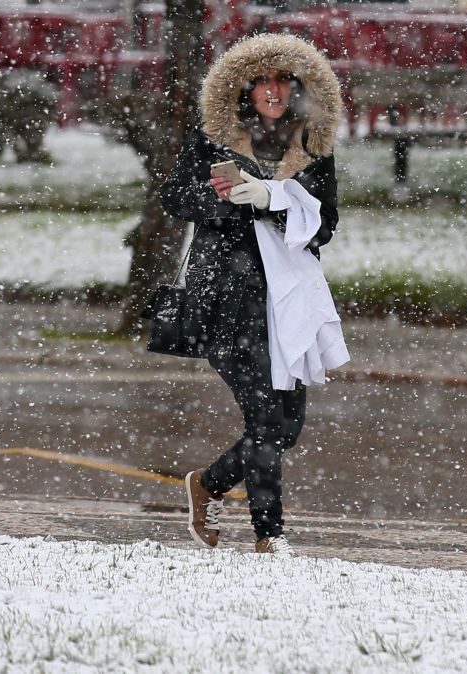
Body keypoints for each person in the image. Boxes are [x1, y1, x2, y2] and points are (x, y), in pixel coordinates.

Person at [159, 34, 344, 556]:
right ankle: (270, 534)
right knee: (265, 419)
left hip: (287, 300)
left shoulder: (312, 147)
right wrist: (227, 198)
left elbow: (325, 224)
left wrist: (273, 201)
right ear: (243, 89)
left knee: (287, 426)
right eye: (263, 80)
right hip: (224, 297)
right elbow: (177, 196)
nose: (274, 90)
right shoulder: (213, 139)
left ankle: (210, 484)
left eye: (285, 80)